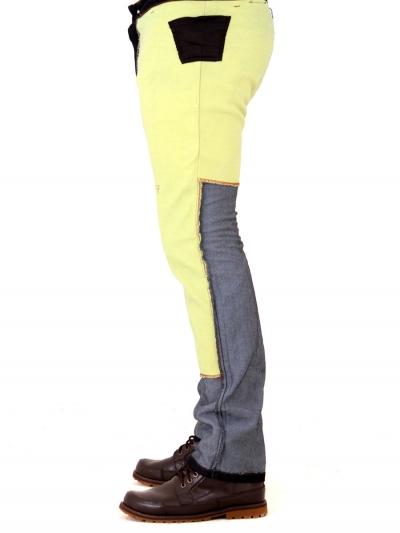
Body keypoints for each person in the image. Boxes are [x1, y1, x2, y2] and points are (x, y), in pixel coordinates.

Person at [120, 0, 275, 522]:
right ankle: (217, 431)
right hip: (193, 29)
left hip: (201, 27)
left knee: (204, 234)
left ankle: (231, 455)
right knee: (193, 232)